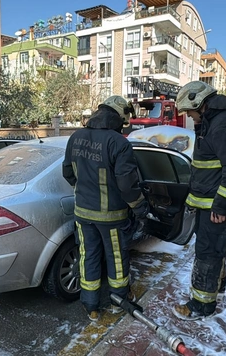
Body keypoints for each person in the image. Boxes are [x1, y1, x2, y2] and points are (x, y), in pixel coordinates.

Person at [62, 95, 149, 322]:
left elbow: (68, 173)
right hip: (112, 217)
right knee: (117, 259)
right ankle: (118, 301)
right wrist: (140, 208)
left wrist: (84, 189)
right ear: (118, 118)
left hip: (82, 214)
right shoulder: (119, 143)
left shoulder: (75, 137)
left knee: (88, 255)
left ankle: (90, 306)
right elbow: (127, 185)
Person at [172, 81, 226, 320]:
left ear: (200, 104)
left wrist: (221, 204)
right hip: (211, 203)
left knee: (208, 253)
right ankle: (218, 289)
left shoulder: (223, 125)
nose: (189, 117)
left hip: (217, 206)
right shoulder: (213, 122)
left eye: (190, 112)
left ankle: (200, 306)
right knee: (216, 251)